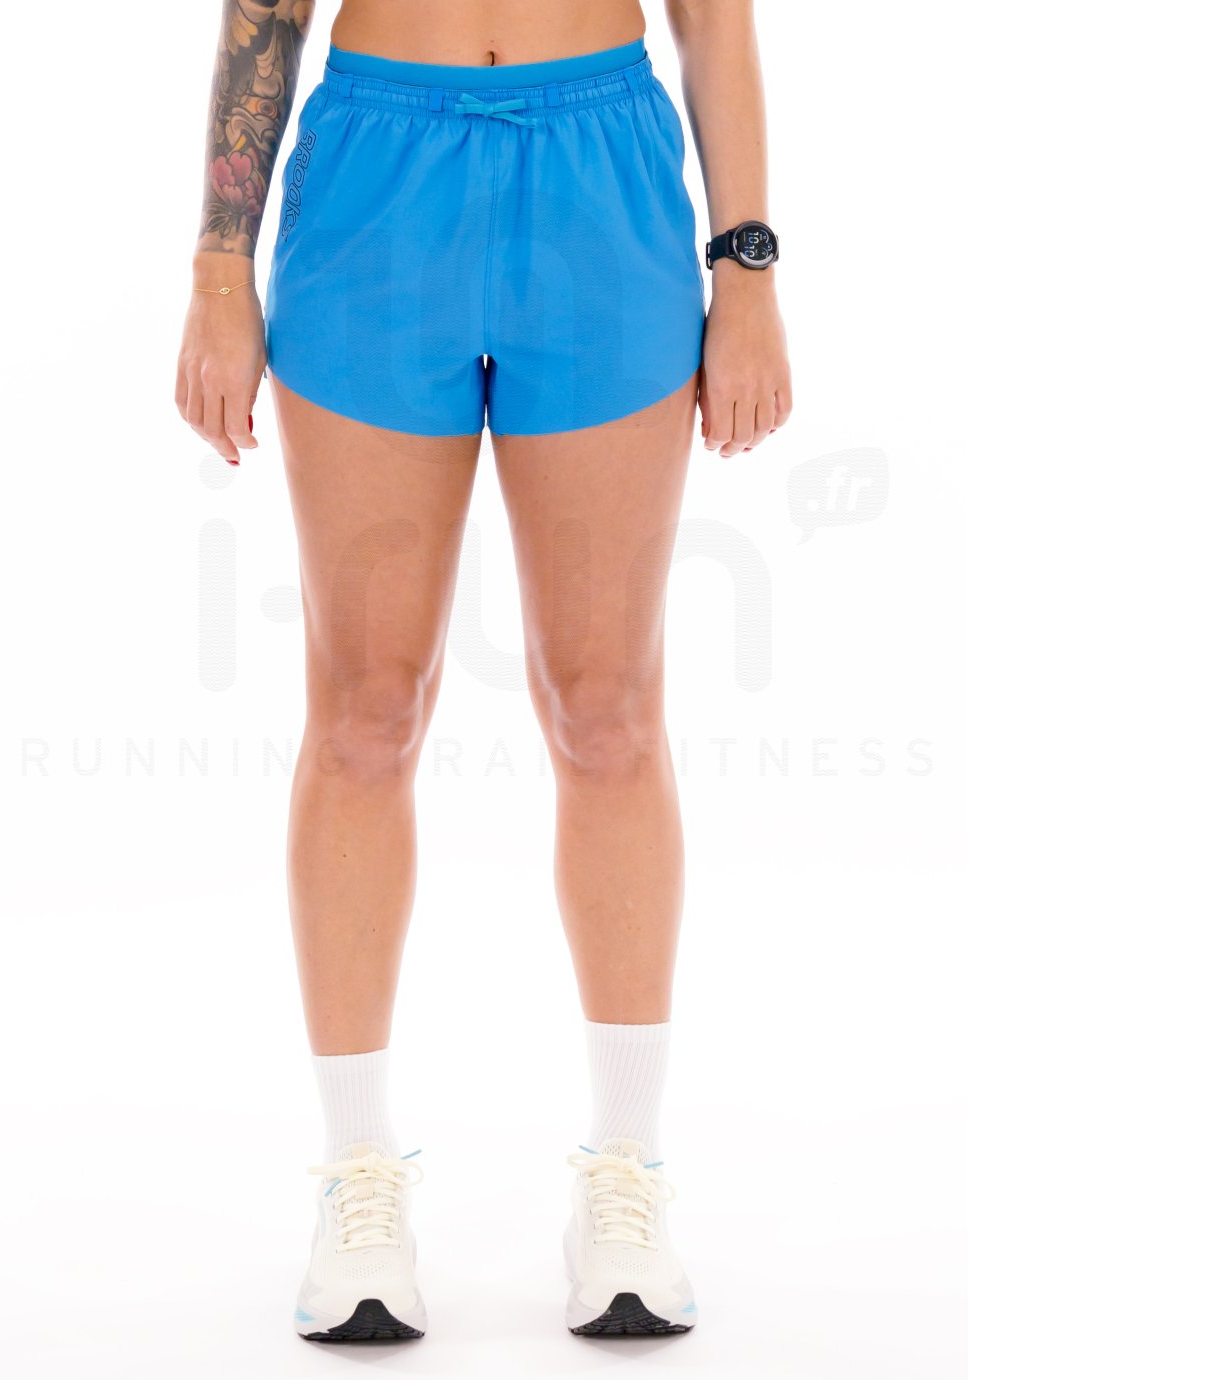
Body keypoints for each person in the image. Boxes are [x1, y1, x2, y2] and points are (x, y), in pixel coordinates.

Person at [176, 0, 790, 1342]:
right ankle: (357, 1177)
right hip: (376, 178)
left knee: (607, 707)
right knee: (364, 710)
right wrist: (219, 271)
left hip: (600, 170)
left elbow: (713, 15)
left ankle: (624, 1173)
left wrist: (746, 269)